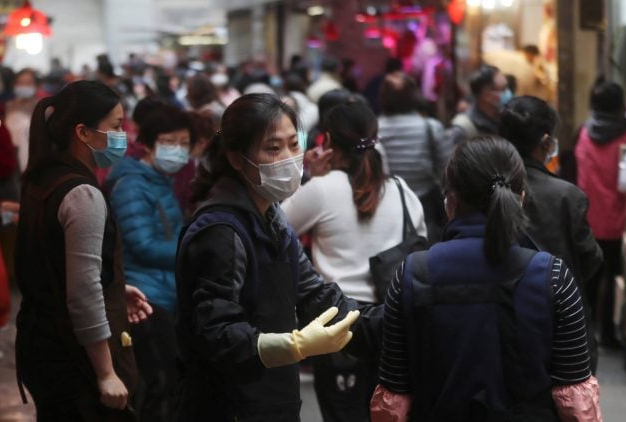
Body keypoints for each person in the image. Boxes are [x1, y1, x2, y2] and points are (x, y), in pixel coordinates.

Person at [175, 93, 381, 421]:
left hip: (275, 400)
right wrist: (293, 345)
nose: (288, 158)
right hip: (230, 406)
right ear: (237, 158)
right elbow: (215, 333)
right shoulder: (221, 231)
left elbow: (315, 294)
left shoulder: (273, 218)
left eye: (293, 144)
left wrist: (392, 320)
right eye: (273, 148)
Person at [372, 136, 602, 421]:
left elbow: (393, 399)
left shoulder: (412, 274)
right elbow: (576, 401)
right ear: (521, 198)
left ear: (450, 201)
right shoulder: (553, 276)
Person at [14, 80, 152, 421]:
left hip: (40, 343)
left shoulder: (42, 178)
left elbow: (63, 267)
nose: (124, 135)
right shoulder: (82, 195)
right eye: (117, 126)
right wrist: (106, 372)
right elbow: (83, 291)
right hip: (72, 359)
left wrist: (116, 289)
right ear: (84, 133)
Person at [282, 101, 426, 422]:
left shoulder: (321, 189)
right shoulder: (402, 191)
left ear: (328, 142)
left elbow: (277, 227)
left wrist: (310, 177)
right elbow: (420, 240)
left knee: (342, 413)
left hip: (336, 322)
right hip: (391, 321)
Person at [499, 95, 603, 371]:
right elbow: (590, 259)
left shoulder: (485, 188)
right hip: (560, 320)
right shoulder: (567, 196)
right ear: (546, 142)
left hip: (498, 316)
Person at [106, 100, 192, 422]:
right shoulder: (131, 185)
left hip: (164, 294)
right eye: (170, 142)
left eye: (184, 143)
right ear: (149, 143)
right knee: (159, 386)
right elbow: (141, 244)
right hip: (144, 299)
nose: (178, 151)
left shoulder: (159, 182)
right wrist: (192, 251)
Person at [575, 80, 626, 348]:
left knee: (588, 277)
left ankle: (583, 332)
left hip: (586, 219)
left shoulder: (584, 132)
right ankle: (610, 335)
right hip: (618, 220)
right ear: (621, 105)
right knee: (614, 278)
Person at [378, 72, 451, 242]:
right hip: (425, 203)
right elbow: (447, 170)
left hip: (387, 203)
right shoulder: (430, 127)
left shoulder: (375, 129)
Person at [449, 65, 509, 144]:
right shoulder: (464, 129)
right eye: (503, 89)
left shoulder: (507, 119)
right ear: (486, 94)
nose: (508, 93)